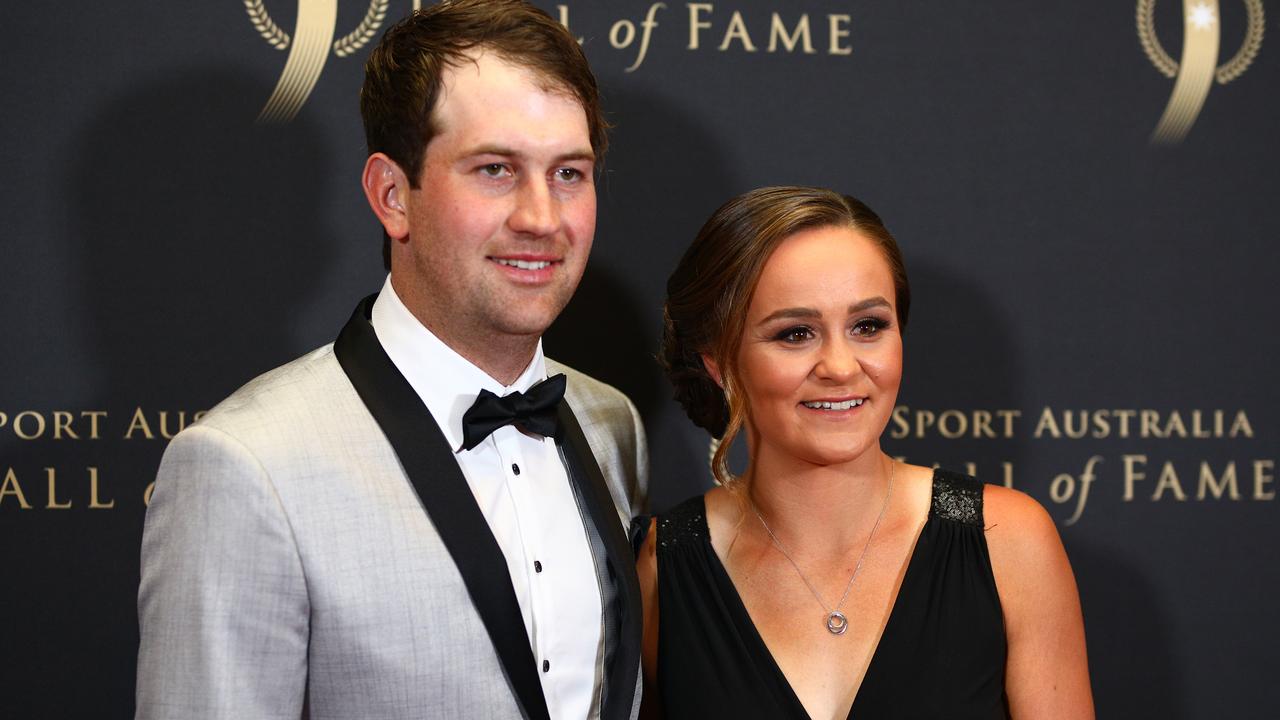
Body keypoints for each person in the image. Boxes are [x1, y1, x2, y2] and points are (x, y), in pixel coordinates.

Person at [135, 2, 647, 719]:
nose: (543, 217)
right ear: (391, 196)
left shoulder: (610, 424)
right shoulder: (246, 465)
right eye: (496, 169)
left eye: (569, 173)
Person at [637, 186, 1093, 719]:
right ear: (719, 364)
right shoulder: (662, 567)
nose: (840, 365)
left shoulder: (1006, 542)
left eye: (868, 326)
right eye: (796, 333)